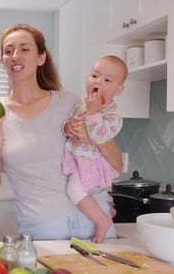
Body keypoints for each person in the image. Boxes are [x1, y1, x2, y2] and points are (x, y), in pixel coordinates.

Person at [0, 24, 123, 241]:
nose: (15, 56)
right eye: (8, 50)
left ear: (41, 57)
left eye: (25, 49)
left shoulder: (69, 102)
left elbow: (116, 163)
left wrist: (93, 138)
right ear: (2, 60)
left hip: (95, 220)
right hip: (43, 229)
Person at [62, 55, 127, 243]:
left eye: (107, 80)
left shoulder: (113, 113)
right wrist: (67, 127)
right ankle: (108, 206)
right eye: (94, 76)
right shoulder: (82, 103)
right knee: (91, 191)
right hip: (79, 160)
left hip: (92, 164)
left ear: (119, 89)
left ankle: (102, 220)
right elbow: (71, 121)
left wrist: (94, 112)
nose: (98, 81)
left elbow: (99, 137)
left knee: (74, 190)